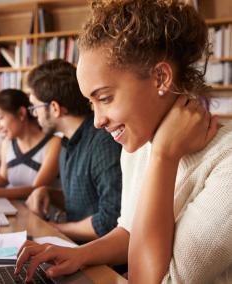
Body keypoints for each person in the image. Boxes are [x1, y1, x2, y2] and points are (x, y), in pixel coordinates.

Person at [15, 0, 232, 283]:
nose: (97, 121)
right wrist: (78, 255)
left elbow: (149, 280)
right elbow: (129, 230)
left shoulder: (224, 164)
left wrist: (164, 157)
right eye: (92, 102)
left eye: (105, 98)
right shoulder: (138, 143)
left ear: (161, 77)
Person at [25, 59, 122, 242]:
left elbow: (110, 220)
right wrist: (48, 193)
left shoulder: (103, 142)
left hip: (101, 261)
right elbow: (85, 200)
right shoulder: (67, 142)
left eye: (35, 107)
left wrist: (56, 229)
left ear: (54, 108)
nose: (34, 114)